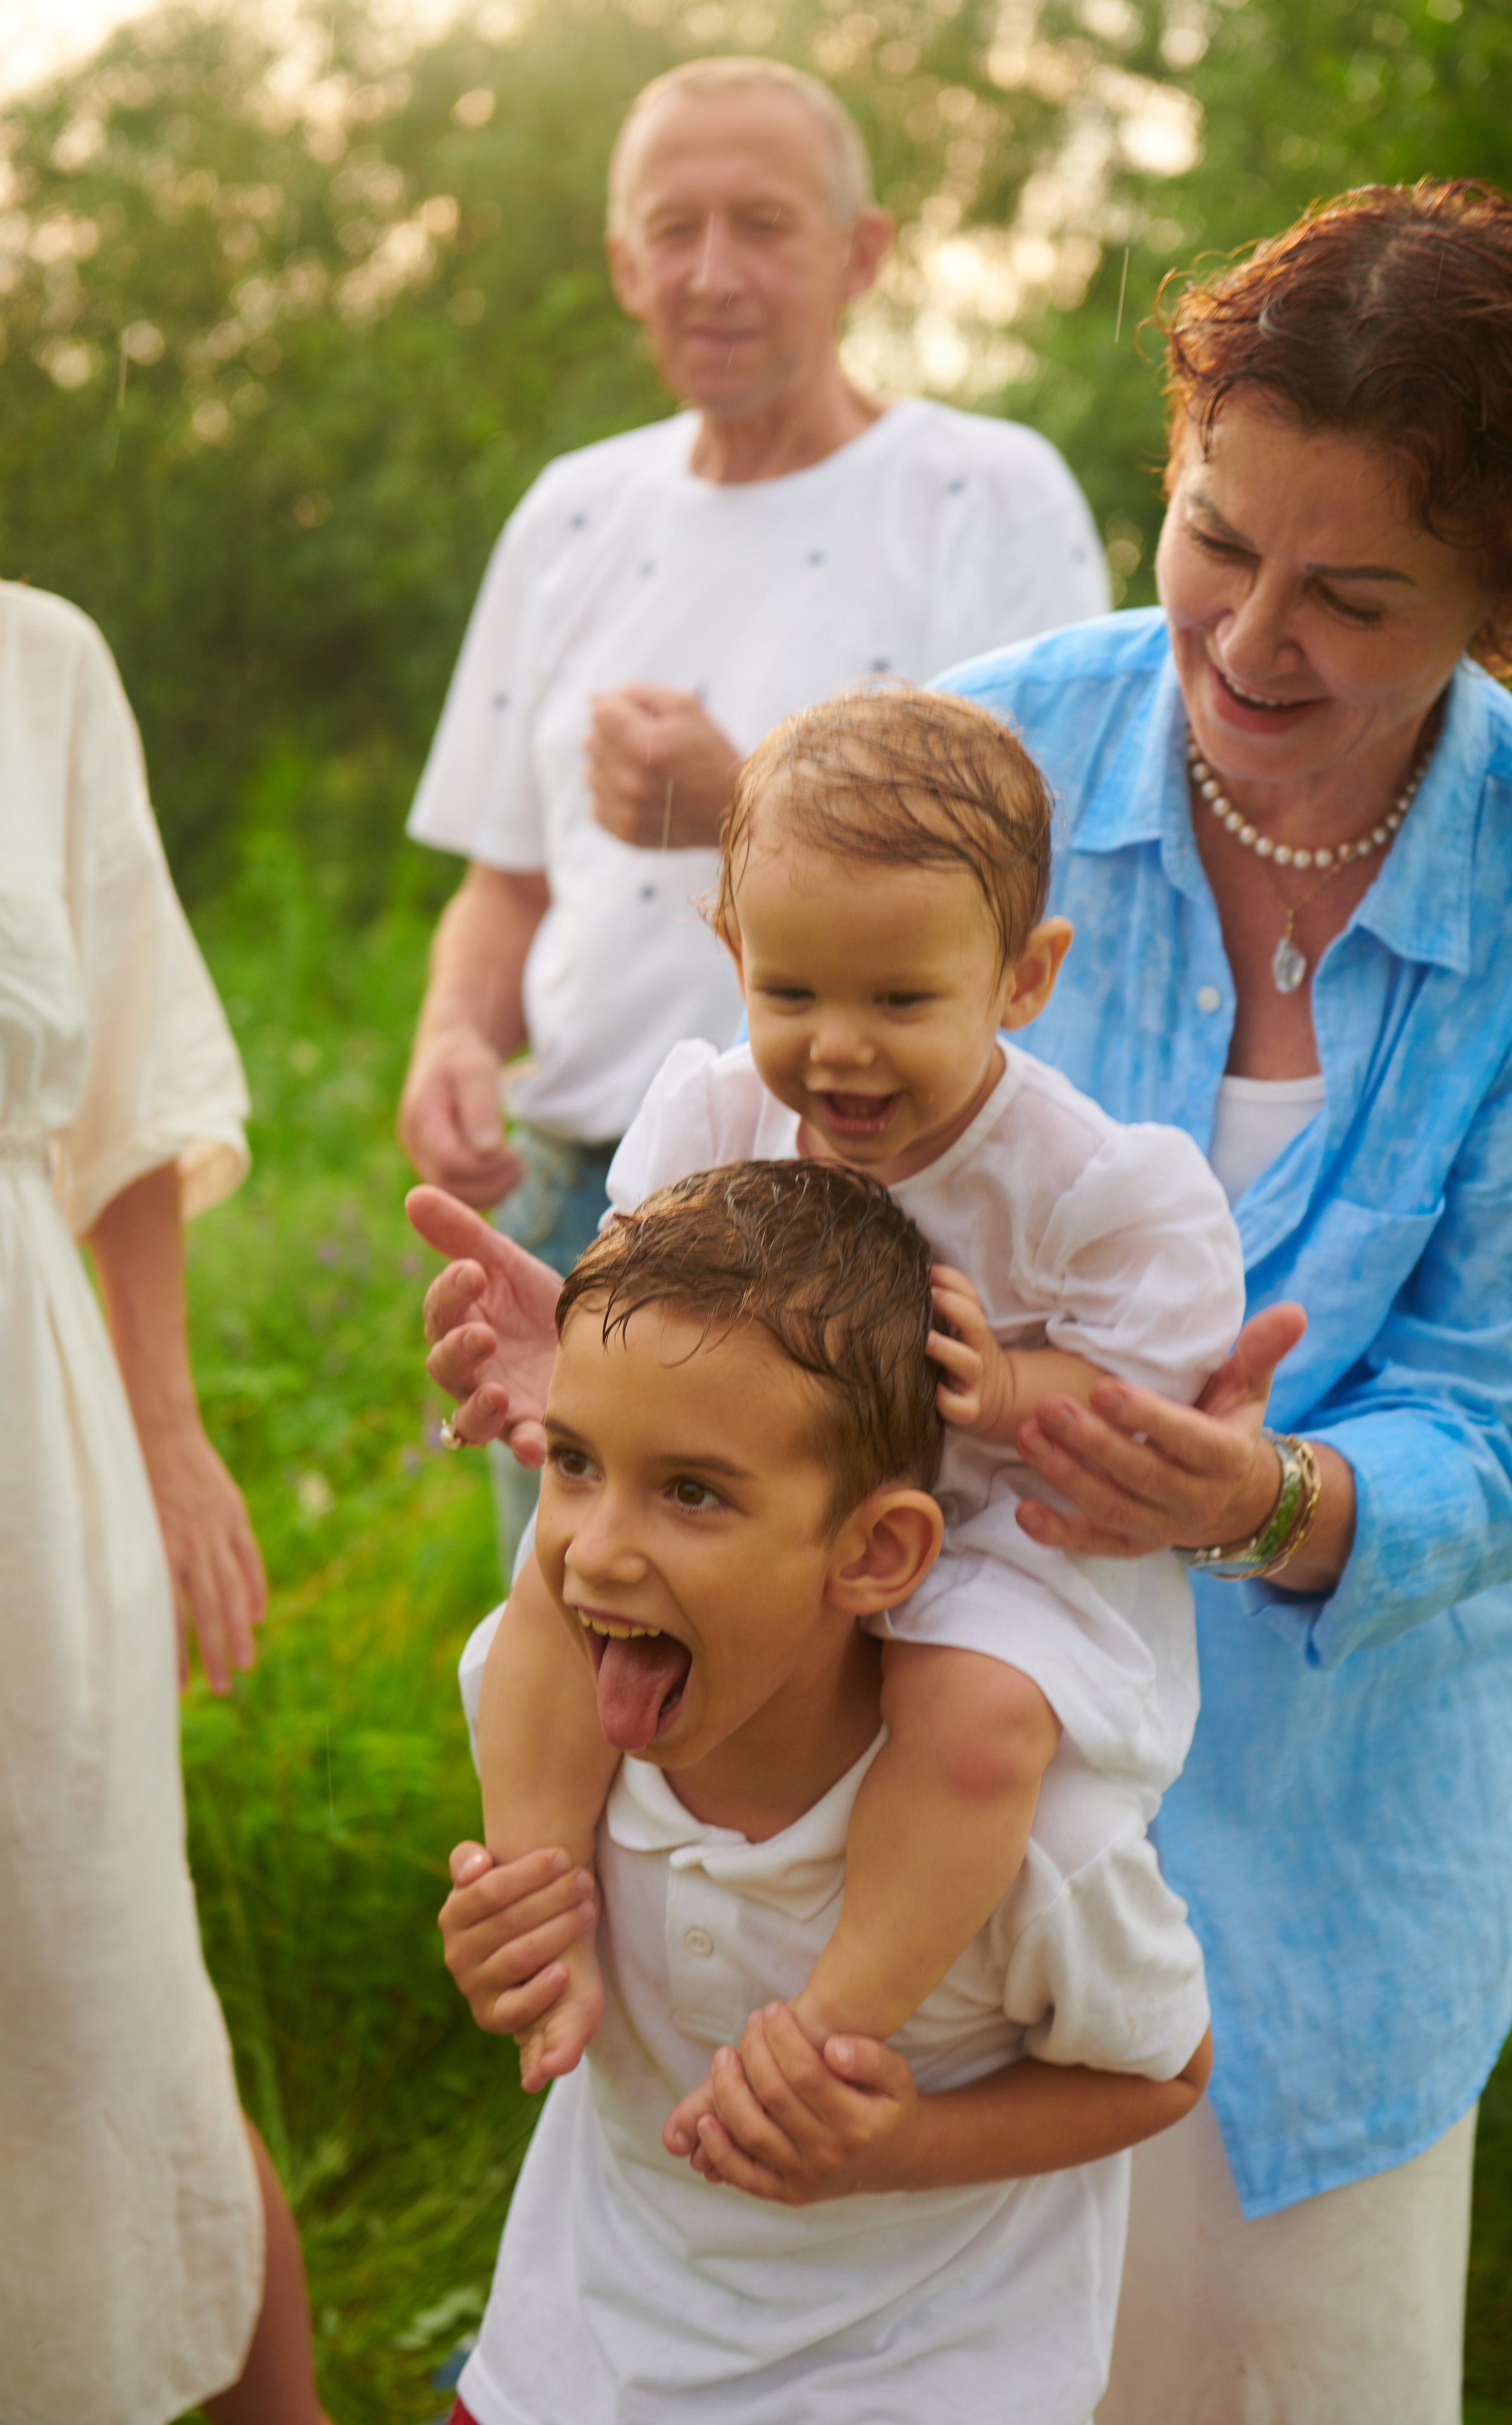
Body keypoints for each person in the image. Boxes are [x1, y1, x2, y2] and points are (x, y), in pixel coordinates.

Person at [415, 181, 1512, 2420]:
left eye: (1353, 595)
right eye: (1211, 541)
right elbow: (756, 1152)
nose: (1248, 640)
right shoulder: (991, 759)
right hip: (855, 1768)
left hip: (1314, 1824)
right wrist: (579, 1352)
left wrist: (1256, 1490)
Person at [465, 688, 1244, 2116]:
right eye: (791, 994)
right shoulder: (710, 1113)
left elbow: (1153, 1380)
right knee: (554, 1587)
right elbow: (636, 1299)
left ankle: (832, 2019)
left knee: (974, 1724)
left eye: (899, 1000)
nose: (839, 1050)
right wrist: (560, 1359)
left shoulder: (1077, 1181)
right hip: (753, 1511)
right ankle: (536, 1887)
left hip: (992, 1531)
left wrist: (1013, 1385)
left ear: (1023, 977)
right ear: (730, 956)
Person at [398, 52, 1109, 1567]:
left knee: (835, 1676)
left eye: (763, 224)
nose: (710, 272)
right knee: (584, 1634)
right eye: (672, 228)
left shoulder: (986, 493)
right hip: (579, 1188)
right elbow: (503, 880)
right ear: (620, 263)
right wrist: (456, 1035)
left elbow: (1055, 868)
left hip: (866, 1199)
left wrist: (744, 808)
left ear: (864, 252)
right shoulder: (569, 513)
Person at [438, 1159, 1213, 2425]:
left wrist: (898, 2151)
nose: (594, 1545)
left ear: (873, 1551)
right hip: (571, 2362)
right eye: (574, 1463)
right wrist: (511, 1951)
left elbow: (1163, 2072)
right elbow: (549, 1960)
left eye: (690, 1491)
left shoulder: (1028, 1848)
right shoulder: (556, 1734)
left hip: (909, 2382)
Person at [0, 582, 328, 2422]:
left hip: (18, 1465)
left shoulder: (36, 667)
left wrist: (167, 1419)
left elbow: (124, 1079)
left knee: (90, 1998)